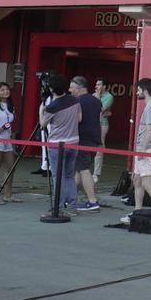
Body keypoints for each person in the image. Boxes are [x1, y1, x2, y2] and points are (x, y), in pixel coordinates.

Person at [39, 78, 84, 208]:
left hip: (56, 144)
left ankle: (58, 205)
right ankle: (72, 203)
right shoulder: (75, 101)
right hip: (74, 142)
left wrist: (41, 110)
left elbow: (43, 125)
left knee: (57, 176)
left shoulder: (52, 107)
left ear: (52, 90)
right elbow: (79, 119)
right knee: (69, 175)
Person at [130, 77, 151, 210]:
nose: (136, 92)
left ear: (144, 90)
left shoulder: (150, 107)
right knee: (137, 181)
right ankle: (137, 211)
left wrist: (142, 151)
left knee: (146, 183)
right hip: (142, 149)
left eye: (138, 90)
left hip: (146, 149)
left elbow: (149, 129)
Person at [73, 76, 105, 208]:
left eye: (72, 87)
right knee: (79, 169)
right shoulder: (96, 101)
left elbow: (77, 120)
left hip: (83, 139)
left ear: (79, 87)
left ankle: (92, 201)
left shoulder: (77, 102)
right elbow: (99, 119)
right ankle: (70, 197)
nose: (70, 90)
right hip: (94, 139)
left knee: (84, 169)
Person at [91, 79, 115, 182]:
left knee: (99, 147)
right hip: (92, 123)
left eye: (99, 84)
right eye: (96, 84)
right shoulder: (93, 95)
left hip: (102, 125)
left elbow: (100, 109)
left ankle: (96, 173)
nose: (96, 86)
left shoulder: (109, 97)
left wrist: (97, 98)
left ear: (104, 86)